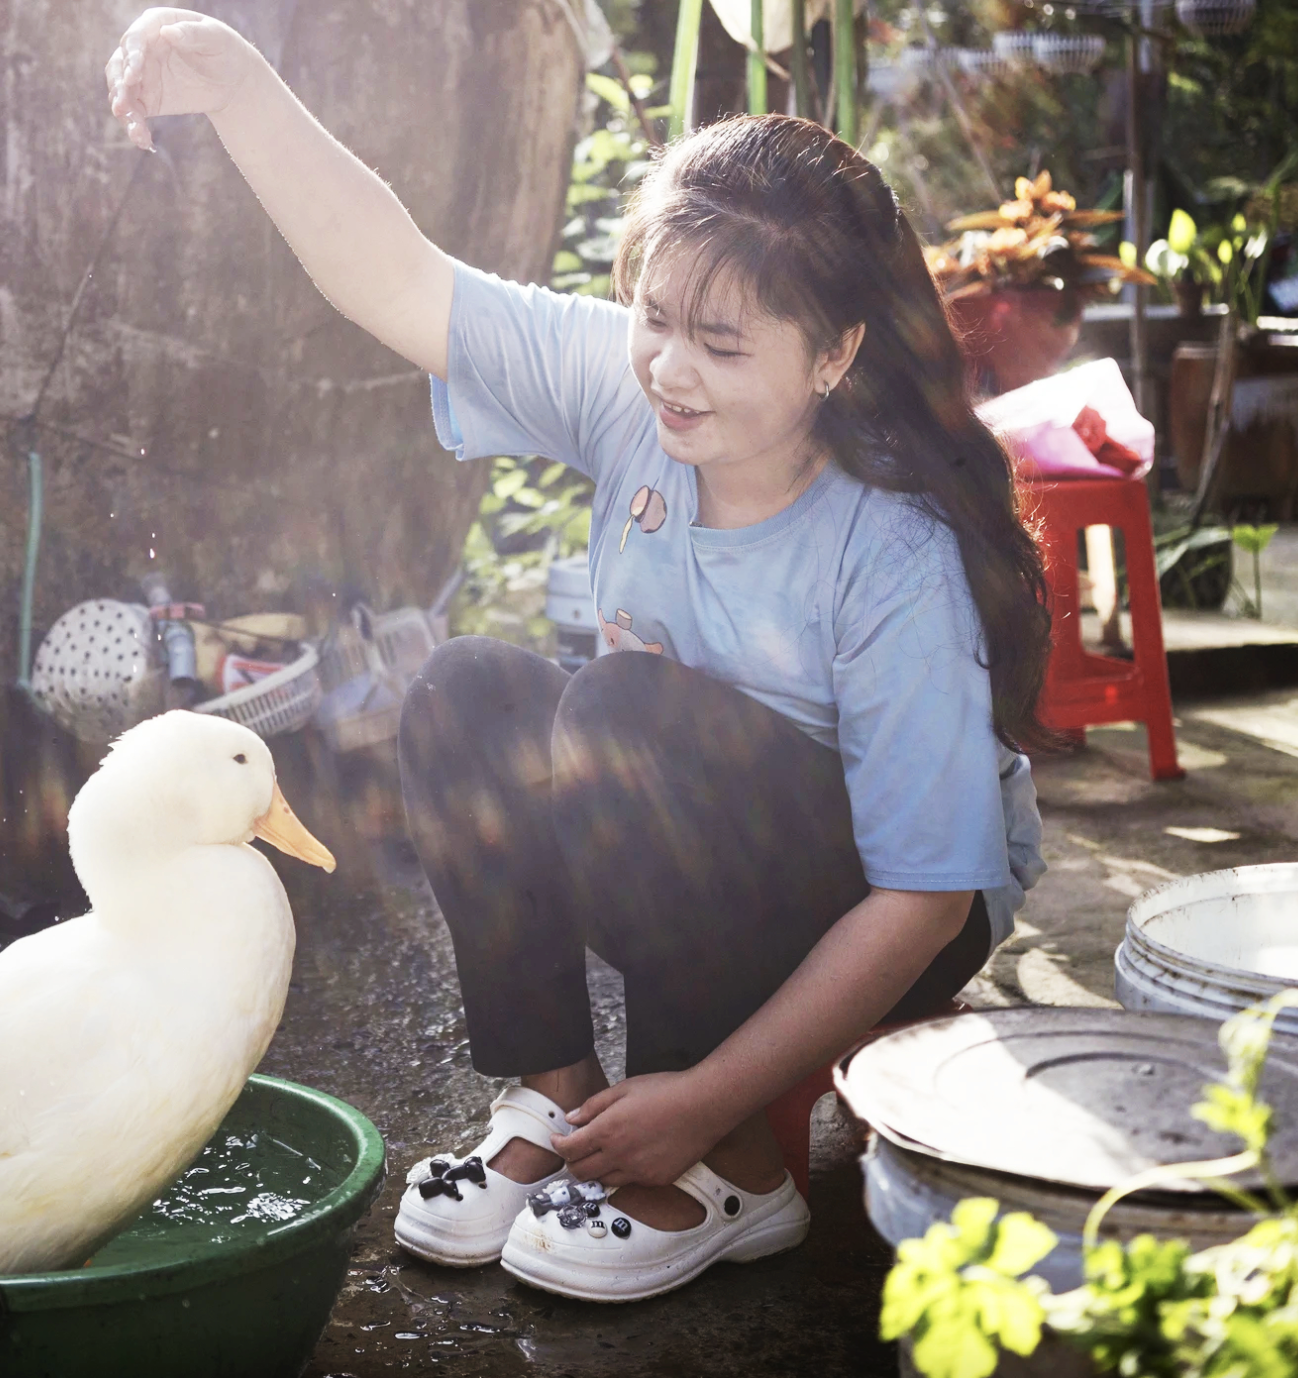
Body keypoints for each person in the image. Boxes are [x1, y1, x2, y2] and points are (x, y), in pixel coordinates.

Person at [106, 8, 1048, 1304]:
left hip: (877, 909)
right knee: (463, 692)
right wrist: (238, 87)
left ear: (834, 355)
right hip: (681, 846)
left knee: (622, 704)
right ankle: (568, 1106)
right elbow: (394, 277)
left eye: (722, 345)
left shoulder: (890, 556)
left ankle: (721, 1167)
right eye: (655, 318)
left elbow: (923, 899)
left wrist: (715, 1091)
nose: (669, 369)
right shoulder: (633, 389)